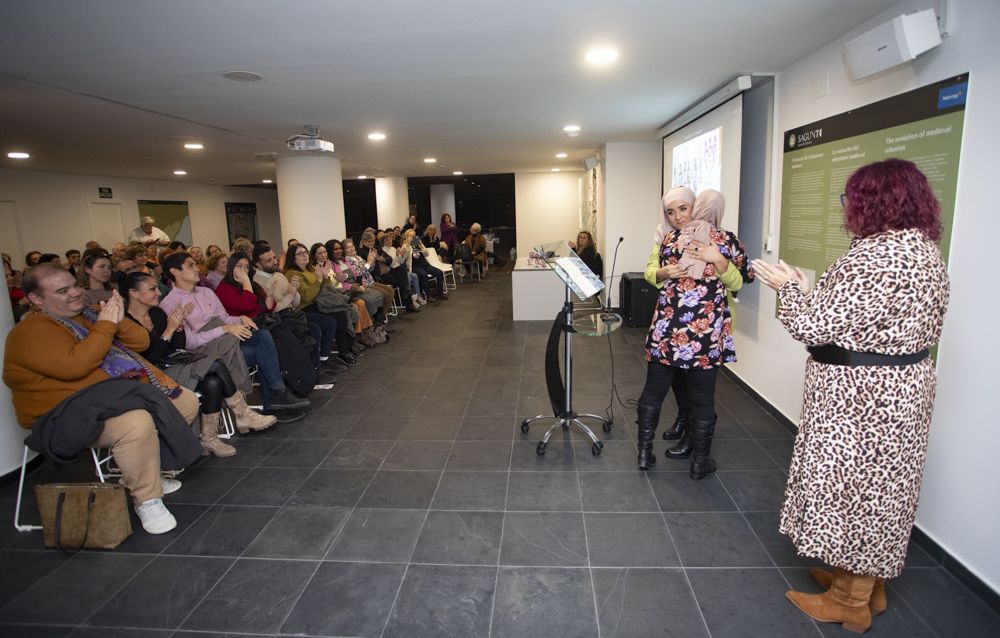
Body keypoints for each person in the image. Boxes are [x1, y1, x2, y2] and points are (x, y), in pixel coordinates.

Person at [752, 159, 950, 634]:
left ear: (871, 203)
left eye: (850, 200)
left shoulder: (873, 256)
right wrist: (807, 289)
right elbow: (865, 320)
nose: (846, 209)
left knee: (850, 491)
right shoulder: (923, 251)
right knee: (883, 492)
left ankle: (848, 600)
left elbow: (812, 326)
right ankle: (867, 583)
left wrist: (787, 289)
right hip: (902, 390)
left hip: (860, 400)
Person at [3, 264, 202, 534]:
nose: (75, 292)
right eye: (63, 290)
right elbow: (76, 365)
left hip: (108, 399)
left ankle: (150, 470)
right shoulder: (30, 332)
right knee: (137, 422)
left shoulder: (86, 317)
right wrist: (106, 325)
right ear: (36, 299)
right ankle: (147, 500)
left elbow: (141, 343)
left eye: (74, 285)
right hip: (64, 414)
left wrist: (115, 319)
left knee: (186, 401)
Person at [636, 189, 753, 476]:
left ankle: (644, 453)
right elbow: (746, 277)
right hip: (705, 333)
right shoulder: (727, 240)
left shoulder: (669, 239)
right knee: (702, 397)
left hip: (668, 329)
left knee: (653, 391)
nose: (677, 218)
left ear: (696, 207)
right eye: (671, 212)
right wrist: (720, 261)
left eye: (683, 209)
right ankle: (700, 463)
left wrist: (714, 262)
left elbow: (657, 265)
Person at [120, 272, 276, 455]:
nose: (158, 293)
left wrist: (177, 329)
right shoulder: (126, 322)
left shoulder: (157, 313)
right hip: (154, 373)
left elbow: (178, 346)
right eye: (152, 289)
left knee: (213, 382)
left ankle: (209, 438)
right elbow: (150, 359)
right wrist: (170, 330)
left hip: (177, 361)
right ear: (134, 293)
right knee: (216, 364)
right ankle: (242, 413)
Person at [158, 252, 309, 415]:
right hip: (205, 351)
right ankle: (274, 397)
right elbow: (190, 342)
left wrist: (240, 319)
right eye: (191, 265)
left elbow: (224, 317)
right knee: (260, 350)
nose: (197, 269)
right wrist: (224, 329)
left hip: (226, 339)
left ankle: (277, 394)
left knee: (263, 335)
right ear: (174, 271)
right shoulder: (170, 303)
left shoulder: (206, 292)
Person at [286, 243, 360, 366]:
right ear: (292, 257)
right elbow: (306, 297)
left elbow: (325, 287)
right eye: (300, 254)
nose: (304, 255)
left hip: (319, 302)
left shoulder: (310, 269)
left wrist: (325, 277)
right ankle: (326, 358)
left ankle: (345, 348)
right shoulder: (293, 274)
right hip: (305, 308)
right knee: (331, 320)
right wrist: (319, 279)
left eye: (305, 252)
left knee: (343, 312)